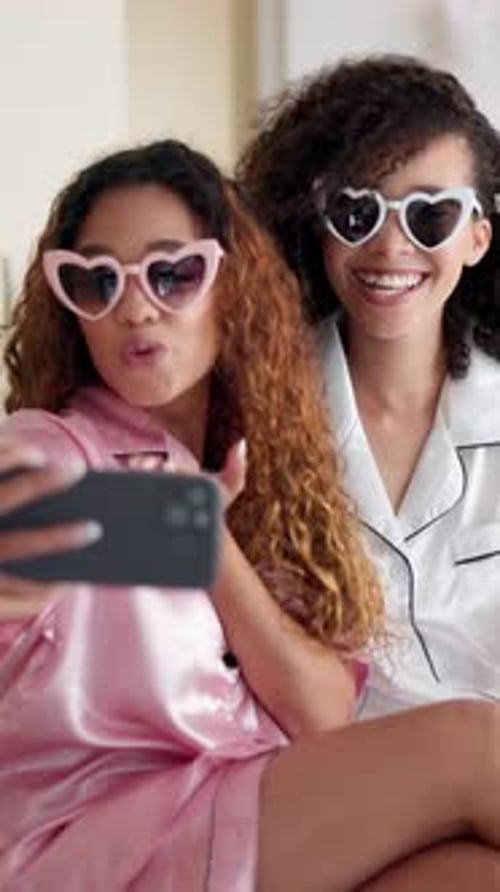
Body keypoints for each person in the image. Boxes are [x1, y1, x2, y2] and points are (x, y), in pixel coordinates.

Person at [0, 139, 498, 892]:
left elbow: (323, 713)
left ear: (233, 289)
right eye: (96, 282)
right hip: (93, 845)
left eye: (173, 273)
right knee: (475, 745)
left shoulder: (267, 481)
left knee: (470, 874)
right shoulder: (51, 448)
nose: (135, 305)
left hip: (248, 821)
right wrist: (183, 529)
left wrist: (220, 558)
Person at [237, 53, 500, 720]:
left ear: (478, 237)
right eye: (356, 212)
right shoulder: (248, 422)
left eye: (429, 216)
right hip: (340, 789)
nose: (389, 246)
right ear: (315, 226)